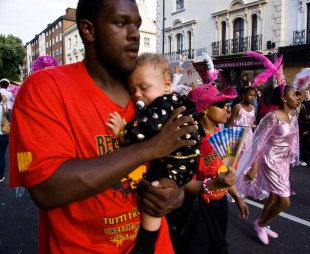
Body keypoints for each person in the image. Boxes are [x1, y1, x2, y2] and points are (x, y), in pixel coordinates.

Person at [9, 0, 197, 253]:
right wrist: (147, 149)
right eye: (121, 23)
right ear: (88, 30)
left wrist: (175, 192)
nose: (134, 34)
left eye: (137, 25)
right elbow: (46, 190)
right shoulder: (46, 88)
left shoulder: (146, 94)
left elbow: (177, 162)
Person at [106, 53, 200, 253]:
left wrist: (123, 133)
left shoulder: (164, 104)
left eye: (144, 88)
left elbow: (147, 127)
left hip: (175, 163)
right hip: (179, 161)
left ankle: (146, 244)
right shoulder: (172, 101)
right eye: (133, 90)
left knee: (154, 195)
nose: (137, 94)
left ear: (166, 85)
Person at [166, 84, 249, 254]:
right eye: (220, 105)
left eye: (226, 105)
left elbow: (224, 174)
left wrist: (237, 197)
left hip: (220, 203)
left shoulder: (221, 134)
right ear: (204, 110)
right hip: (198, 206)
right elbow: (181, 181)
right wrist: (211, 184)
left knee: (219, 244)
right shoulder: (190, 141)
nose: (227, 109)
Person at [236, 84, 300, 245]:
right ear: (284, 99)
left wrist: (290, 160)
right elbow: (257, 143)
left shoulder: (293, 116)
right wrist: (254, 166)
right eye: (294, 95)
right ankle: (261, 224)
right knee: (285, 201)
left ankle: (264, 223)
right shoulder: (272, 117)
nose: (298, 97)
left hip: (283, 162)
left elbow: (293, 140)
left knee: (273, 196)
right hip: (270, 161)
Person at [228, 86, 257, 178]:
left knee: (248, 157)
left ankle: (244, 181)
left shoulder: (253, 108)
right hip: (238, 135)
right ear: (243, 95)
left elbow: (252, 122)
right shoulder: (237, 107)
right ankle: (235, 180)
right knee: (238, 158)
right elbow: (230, 123)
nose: (252, 97)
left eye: (254, 95)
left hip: (249, 135)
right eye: (250, 95)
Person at [0, 95, 8, 182]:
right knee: (1, 155)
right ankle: (1, 176)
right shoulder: (3, 107)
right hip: (3, 134)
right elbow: (7, 114)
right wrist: (4, 101)